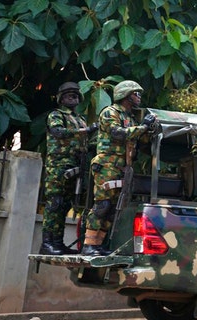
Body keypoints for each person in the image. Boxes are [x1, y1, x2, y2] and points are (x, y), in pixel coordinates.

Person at [81, 80, 156, 256]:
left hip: (123, 167)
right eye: (136, 94)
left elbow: (139, 140)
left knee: (114, 207)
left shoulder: (130, 117)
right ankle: (88, 245)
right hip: (107, 164)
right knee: (102, 205)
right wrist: (143, 126)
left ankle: (98, 245)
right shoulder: (110, 112)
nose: (139, 98)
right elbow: (118, 133)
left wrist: (148, 131)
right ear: (126, 95)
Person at [41, 82, 98, 255]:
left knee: (65, 205)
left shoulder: (79, 118)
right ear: (60, 98)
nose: (72, 98)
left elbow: (84, 142)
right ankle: (47, 243)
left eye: (75, 95)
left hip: (75, 165)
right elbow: (58, 132)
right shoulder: (56, 115)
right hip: (58, 166)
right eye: (68, 95)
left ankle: (58, 243)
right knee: (54, 204)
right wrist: (85, 130)